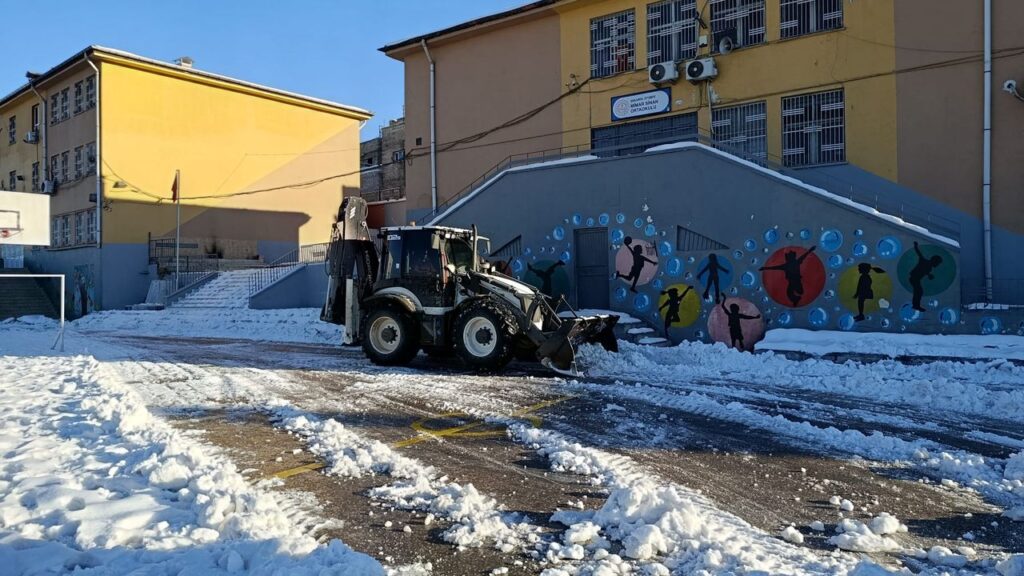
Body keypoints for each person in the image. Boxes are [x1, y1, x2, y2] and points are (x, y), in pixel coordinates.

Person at [908, 241, 942, 312]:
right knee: (918, 291)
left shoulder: (929, 267)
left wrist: (929, 275)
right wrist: (915, 246)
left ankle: (916, 305)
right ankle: (916, 305)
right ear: (934, 261)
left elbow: (925, 271)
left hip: (916, 279)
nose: (937, 265)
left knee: (919, 291)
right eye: (937, 263)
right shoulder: (924, 261)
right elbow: (919, 254)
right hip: (914, 278)